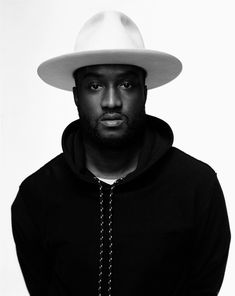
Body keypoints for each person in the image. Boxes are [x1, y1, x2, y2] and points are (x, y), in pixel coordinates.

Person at [11, 11, 231, 296]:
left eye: (126, 84)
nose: (111, 101)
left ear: (145, 92)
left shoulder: (197, 187)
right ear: (76, 96)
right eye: (95, 85)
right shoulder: (36, 195)